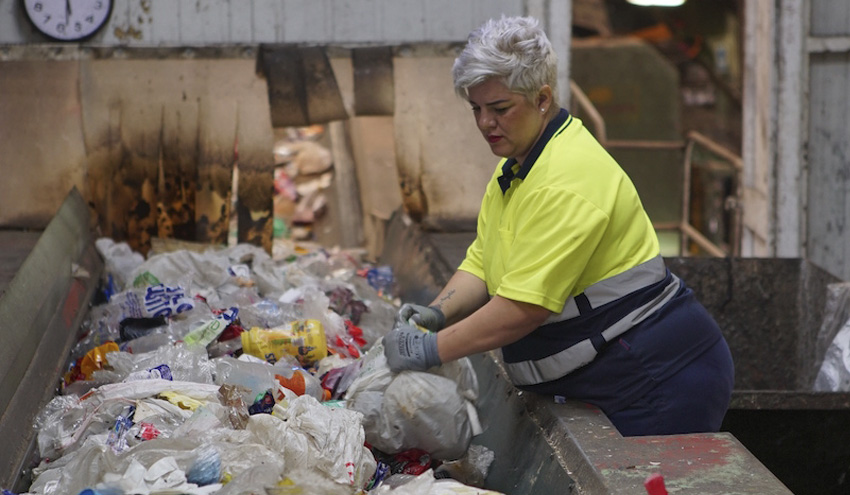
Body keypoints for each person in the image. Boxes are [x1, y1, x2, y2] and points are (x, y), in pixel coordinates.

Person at [383, 15, 734, 437]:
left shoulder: (566, 178)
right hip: (617, 373)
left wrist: (430, 348)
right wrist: (438, 311)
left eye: (499, 109)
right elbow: (485, 256)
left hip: (658, 379)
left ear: (543, 99)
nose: (484, 124)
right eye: (475, 109)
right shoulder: (517, 165)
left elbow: (523, 308)